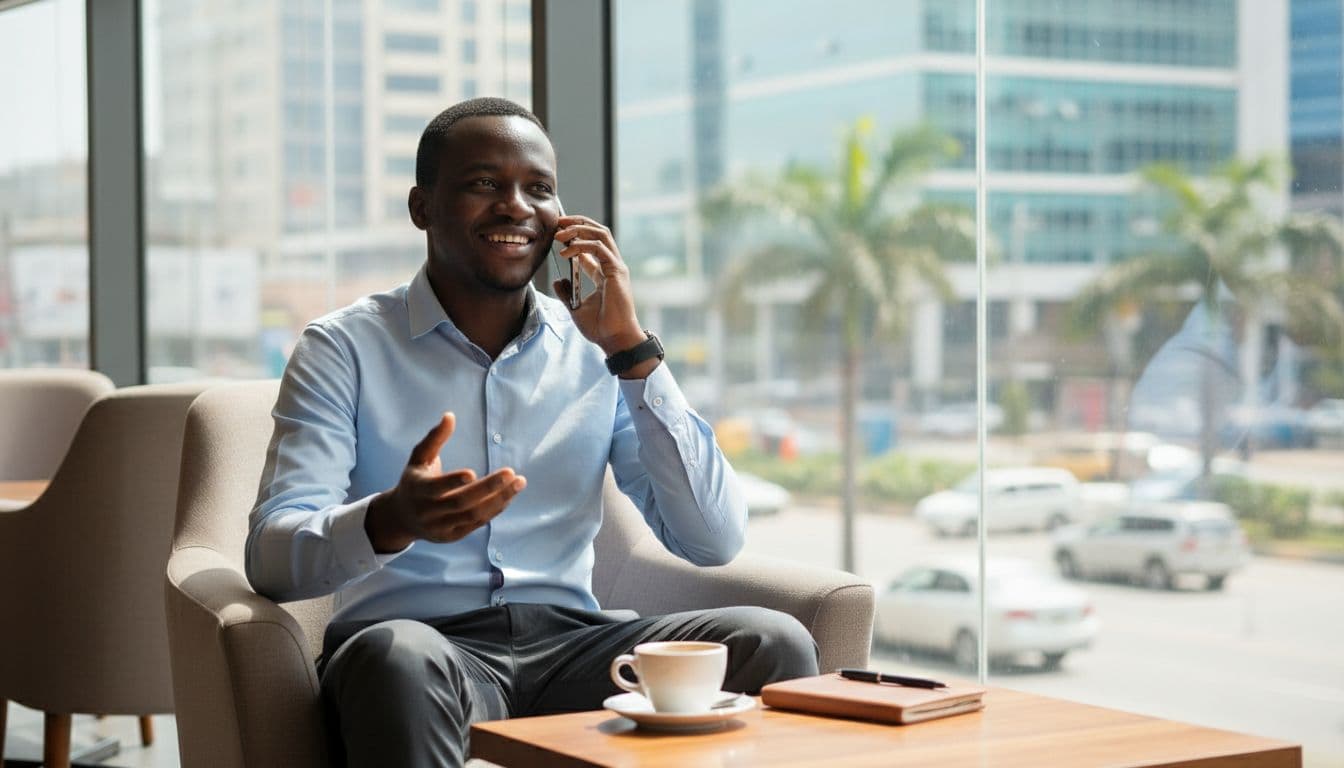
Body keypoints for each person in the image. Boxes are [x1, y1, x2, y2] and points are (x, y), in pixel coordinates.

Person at [245, 97, 819, 768]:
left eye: (538, 188)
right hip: (421, 649)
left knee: (772, 641)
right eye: (484, 183)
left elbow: (711, 538)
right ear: (421, 207)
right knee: (398, 658)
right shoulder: (342, 348)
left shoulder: (598, 352)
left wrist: (630, 349)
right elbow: (269, 557)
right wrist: (388, 520)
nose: (516, 206)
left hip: (577, 651)